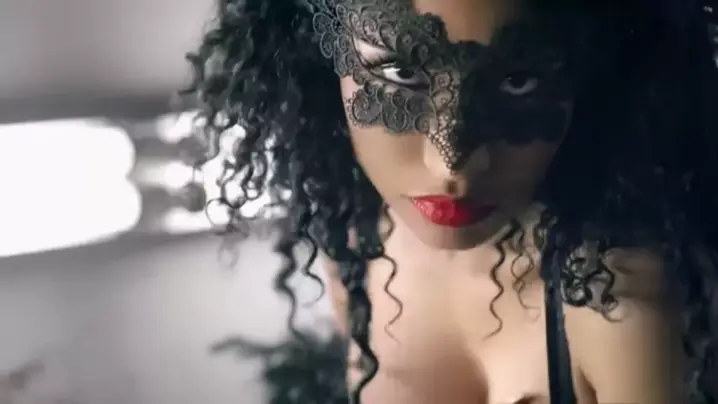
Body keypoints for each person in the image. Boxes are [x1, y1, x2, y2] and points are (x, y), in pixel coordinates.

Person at [184, 0, 718, 403]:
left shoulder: (623, 296)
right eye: (401, 73)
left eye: (518, 80)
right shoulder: (355, 245)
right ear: (320, 56)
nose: (453, 164)